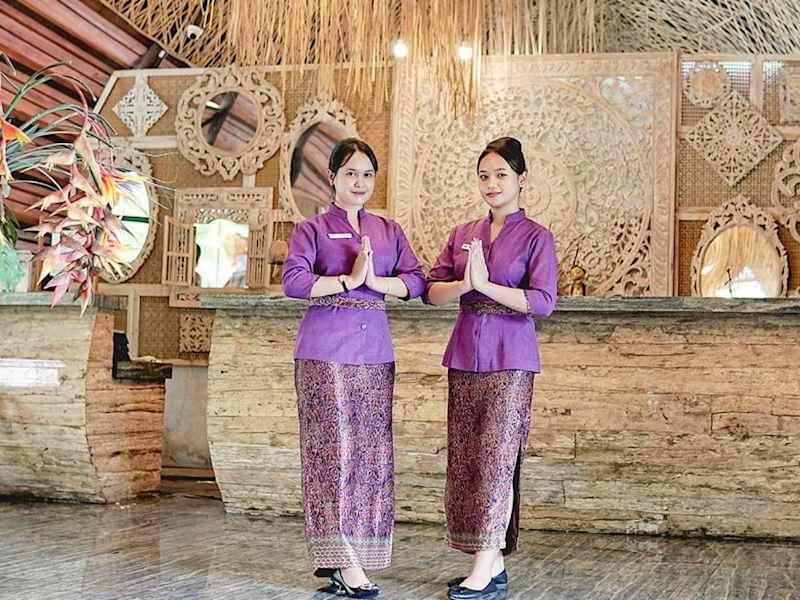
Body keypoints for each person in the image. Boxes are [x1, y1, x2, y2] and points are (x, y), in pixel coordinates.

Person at [282, 137, 426, 598]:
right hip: (325, 354)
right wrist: (347, 279)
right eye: (350, 173)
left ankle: (352, 556)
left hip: (376, 354)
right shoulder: (312, 228)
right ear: (333, 177)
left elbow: (417, 281)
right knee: (333, 454)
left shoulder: (389, 230)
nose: (359, 182)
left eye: (367, 174)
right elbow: (294, 282)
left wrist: (377, 282)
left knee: (370, 457)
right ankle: (344, 562)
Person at [426, 137, 559, 600]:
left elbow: (543, 302)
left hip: (511, 358)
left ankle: (483, 565)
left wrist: (486, 286)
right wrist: (466, 284)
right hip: (464, 354)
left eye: (501, 175)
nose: (492, 184)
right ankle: (493, 562)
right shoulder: (464, 232)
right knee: (467, 459)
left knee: (498, 459)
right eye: (484, 176)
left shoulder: (538, 237)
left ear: (521, 179)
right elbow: (431, 292)